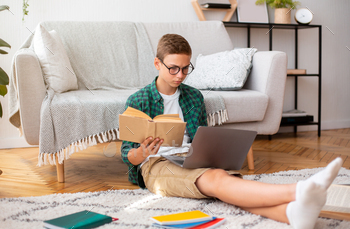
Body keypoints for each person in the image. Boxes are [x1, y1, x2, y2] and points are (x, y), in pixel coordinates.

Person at [121, 34, 343, 229]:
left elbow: (201, 136)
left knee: (225, 184)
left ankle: (290, 214)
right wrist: (140, 154)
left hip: (189, 157)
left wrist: (211, 151)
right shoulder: (139, 100)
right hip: (155, 164)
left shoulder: (194, 97)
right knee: (217, 179)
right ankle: (299, 190)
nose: (180, 75)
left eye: (185, 68)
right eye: (173, 68)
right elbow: (126, 153)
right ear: (157, 63)